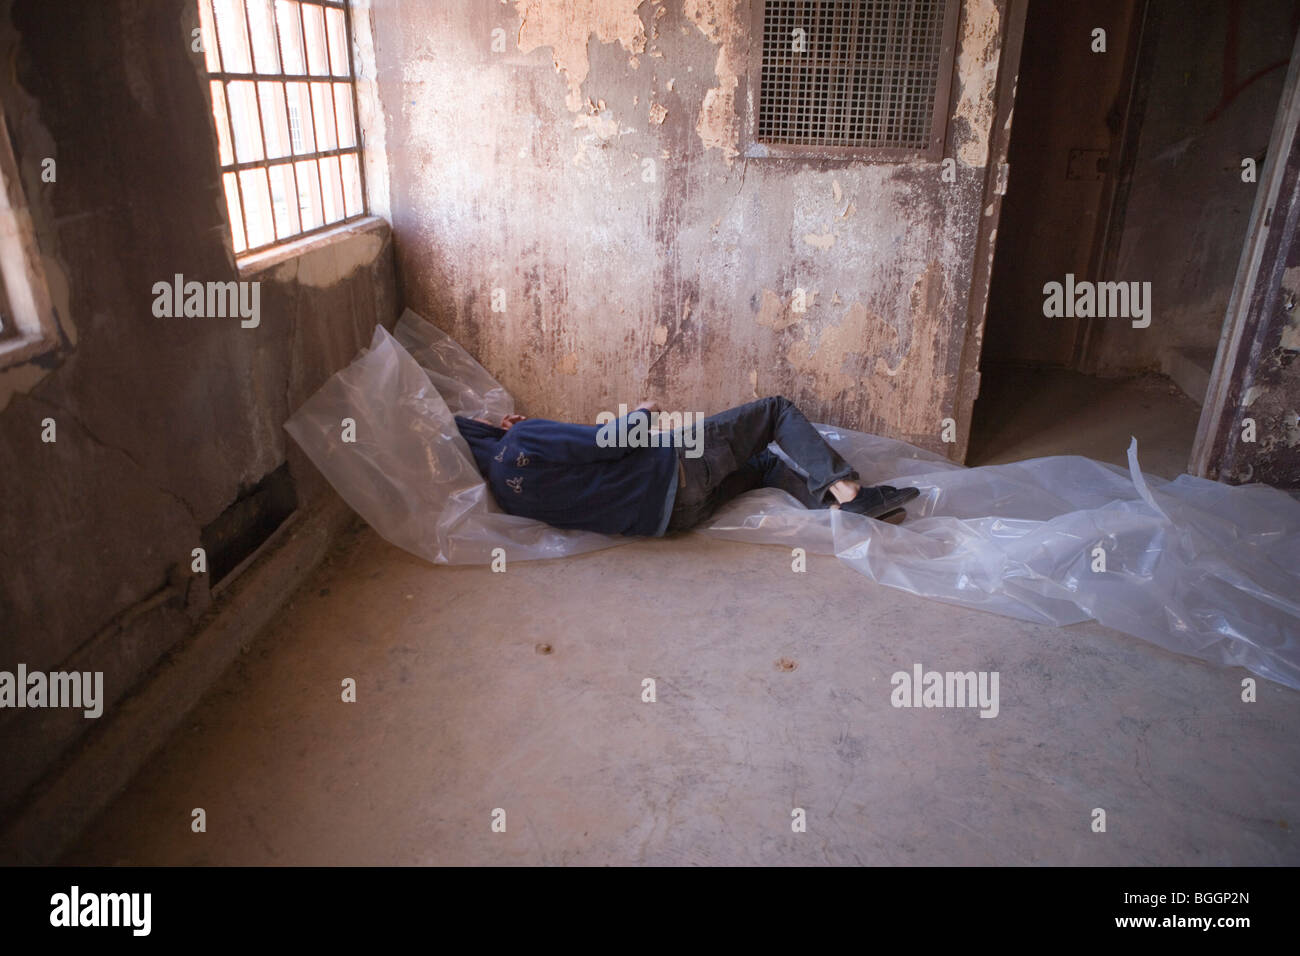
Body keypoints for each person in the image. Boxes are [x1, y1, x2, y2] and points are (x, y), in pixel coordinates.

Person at [452, 396, 919, 537]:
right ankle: (850, 495)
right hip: (676, 468)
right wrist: (642, 411)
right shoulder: (518, 439)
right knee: (774, 412)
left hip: (670, 520)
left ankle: (833, 511)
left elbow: (577, 480)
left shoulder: (505, 493)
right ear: (474, 432)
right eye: (476, 420)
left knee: (761, 464)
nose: (483, 416)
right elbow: (609, 442)